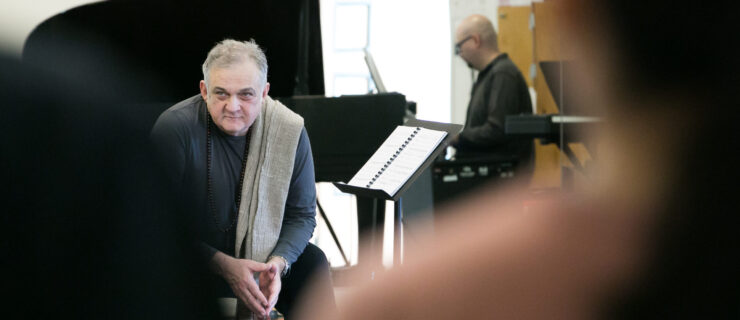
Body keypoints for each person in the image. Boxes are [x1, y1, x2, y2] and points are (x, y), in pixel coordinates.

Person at [300, 1, 740, 319]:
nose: (459, 56)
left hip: (498, 172)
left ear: (572, 16)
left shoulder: (404, 301)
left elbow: (498, 133)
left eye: (459, 48)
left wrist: (453, 135)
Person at [150, 39, 334, 320]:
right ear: (203, 90)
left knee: (313, 263)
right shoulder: (175, 128)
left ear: (264, 93)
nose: (232, 106)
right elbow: (156, 223)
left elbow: (302, 216)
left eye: (246, 95)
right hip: (193, 259)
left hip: (263, 258)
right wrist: (224, 265)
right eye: (221, 93)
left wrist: (277, 265)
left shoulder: (289, 130)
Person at [451, 14, 534, 173]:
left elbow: (496, 130)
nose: (459, 54)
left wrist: (457, 138)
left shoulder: (503, 74)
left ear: (475, 41)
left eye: (458, 47)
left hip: (498, 184)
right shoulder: (488, 75)